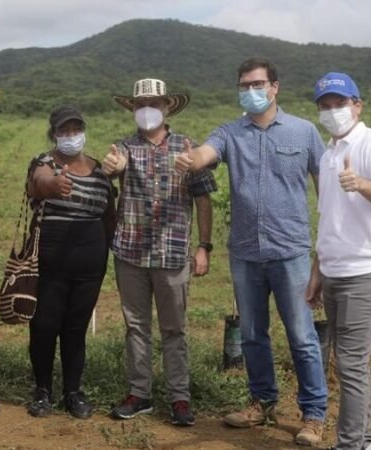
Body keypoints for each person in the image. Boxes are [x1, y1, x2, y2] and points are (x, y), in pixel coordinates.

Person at [175, 58, 327, 445]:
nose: (251, 91)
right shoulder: (231, 132)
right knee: (254, 335)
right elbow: (206, 153)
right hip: (245, 252)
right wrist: (191, 160)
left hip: (290, 250)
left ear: (274, 87)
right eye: (244, 85)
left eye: (257, 84)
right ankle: (261, 402)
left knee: (302, 335)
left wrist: (326, 244)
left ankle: (314, 413)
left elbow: (326, 189)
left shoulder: (304, 132)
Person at [103, 79, 216, 427]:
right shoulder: (124, 147)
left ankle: (179, 398)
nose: (146, 110)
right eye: (139, 105)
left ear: (168, 108)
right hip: (130, 253)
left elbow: (203, 200)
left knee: (174, 329)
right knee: (135, 326)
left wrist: (204, 246)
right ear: (133, 110)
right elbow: (114, 167)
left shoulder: (188, 147)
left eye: (153, 103)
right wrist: (113, 170)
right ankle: (140, 394)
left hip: (173, 253)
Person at [306, 72, 371, 450]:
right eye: (325, 106)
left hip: (366, 270)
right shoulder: (327, 155)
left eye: (341, 104)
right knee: (348, 362)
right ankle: (365, 441)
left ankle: (350, 444)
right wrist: (317, 272)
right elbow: (328, 217)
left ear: (358, 105)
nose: (333, 111)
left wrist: (363, 185)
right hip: (335, 270)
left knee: (352, 364)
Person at [25, 105, 114, 419]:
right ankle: (42, 390)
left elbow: (109, 215)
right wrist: (54, 186)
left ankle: (73, 392)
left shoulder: (101, 169)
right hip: (51, 261)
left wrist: (112, 247)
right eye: (64, 131)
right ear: (54, 134)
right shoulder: (45, 162)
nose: (71, 136)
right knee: (45, 325)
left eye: (76, 129)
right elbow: (39, 181)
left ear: (85, 131)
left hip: (91, 263)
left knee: (76, 328)